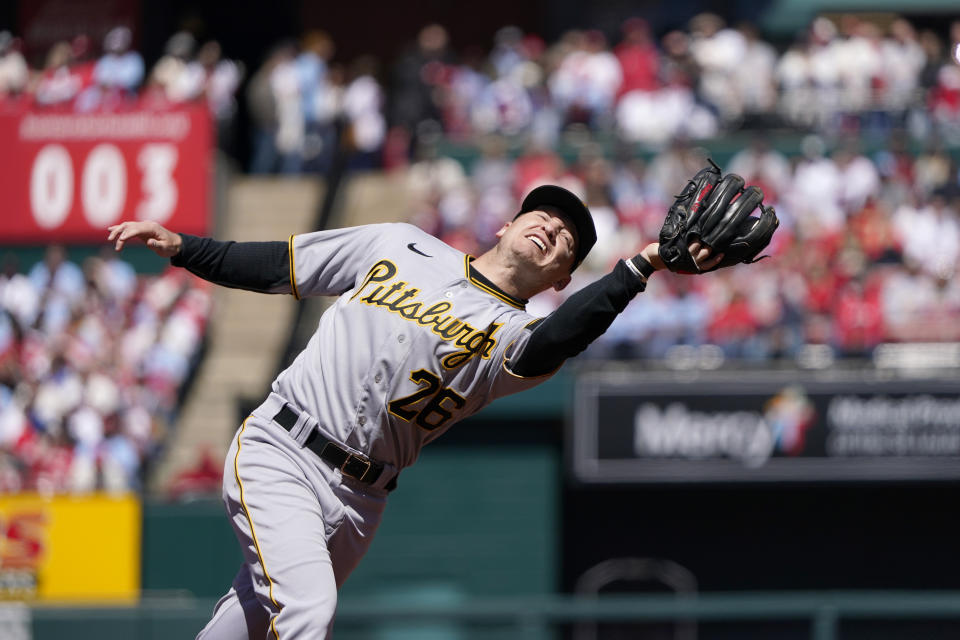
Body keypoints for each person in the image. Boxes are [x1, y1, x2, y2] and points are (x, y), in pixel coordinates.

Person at [107, 183, 730, 639]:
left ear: (561, 278)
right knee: (307, 611)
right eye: (541, 214)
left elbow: (559, 337)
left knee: (244, 627)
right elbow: (282, 265)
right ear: (504, 227)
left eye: (567, 239)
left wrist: (638, 265)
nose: (552, 227)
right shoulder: (400, 245)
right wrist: (185, 247)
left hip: (361, 502)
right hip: (286, 449)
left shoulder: (513, 340)